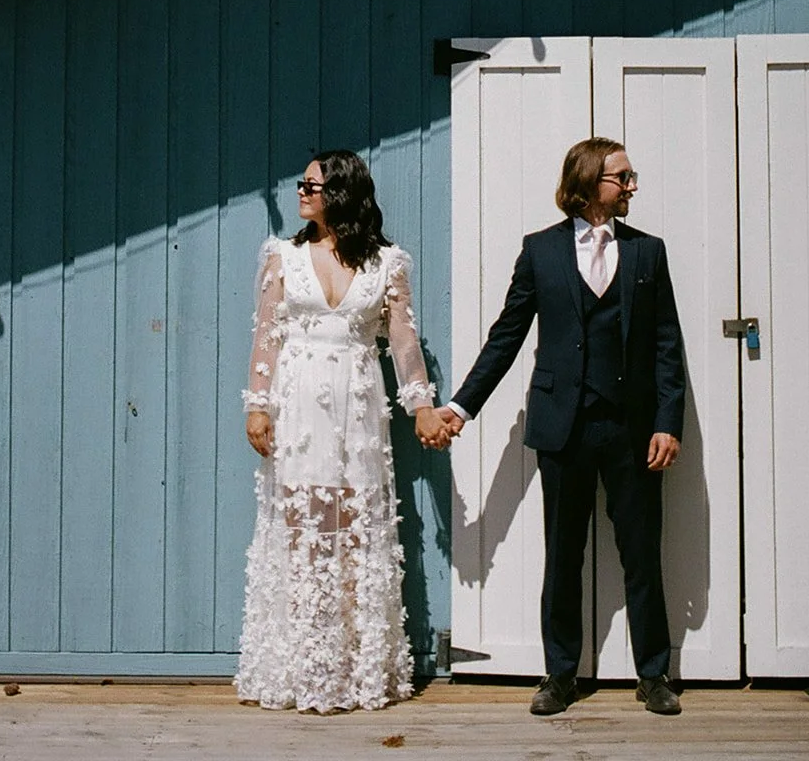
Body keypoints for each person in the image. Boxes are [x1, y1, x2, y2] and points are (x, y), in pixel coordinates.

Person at [437, 137, 685, 717]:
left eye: (631, 176)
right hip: (563, 427)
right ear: (588, 183)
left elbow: (667, 345)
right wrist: (461, 407)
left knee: (642, 554)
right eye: (621, 177)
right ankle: (560, 674)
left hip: (631, 429)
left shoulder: (649, 253)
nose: (632, 186)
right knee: (562, 553)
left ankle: (654, 674)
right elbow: (507, 336)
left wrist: (668, 422)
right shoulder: (540, 251)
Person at [236, 149, 450, 713]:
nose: (301, 192)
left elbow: (403, 343)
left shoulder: (387, 263)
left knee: (355, 528)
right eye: (302, 182)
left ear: (342, 193)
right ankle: (305, 666)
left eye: (312, 184)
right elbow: (266, 337)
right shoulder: (282, 256)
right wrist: (258, 406)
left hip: (358, 407)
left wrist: (423, 408)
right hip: (299, 402)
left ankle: (356, 668)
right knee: (303, 527)